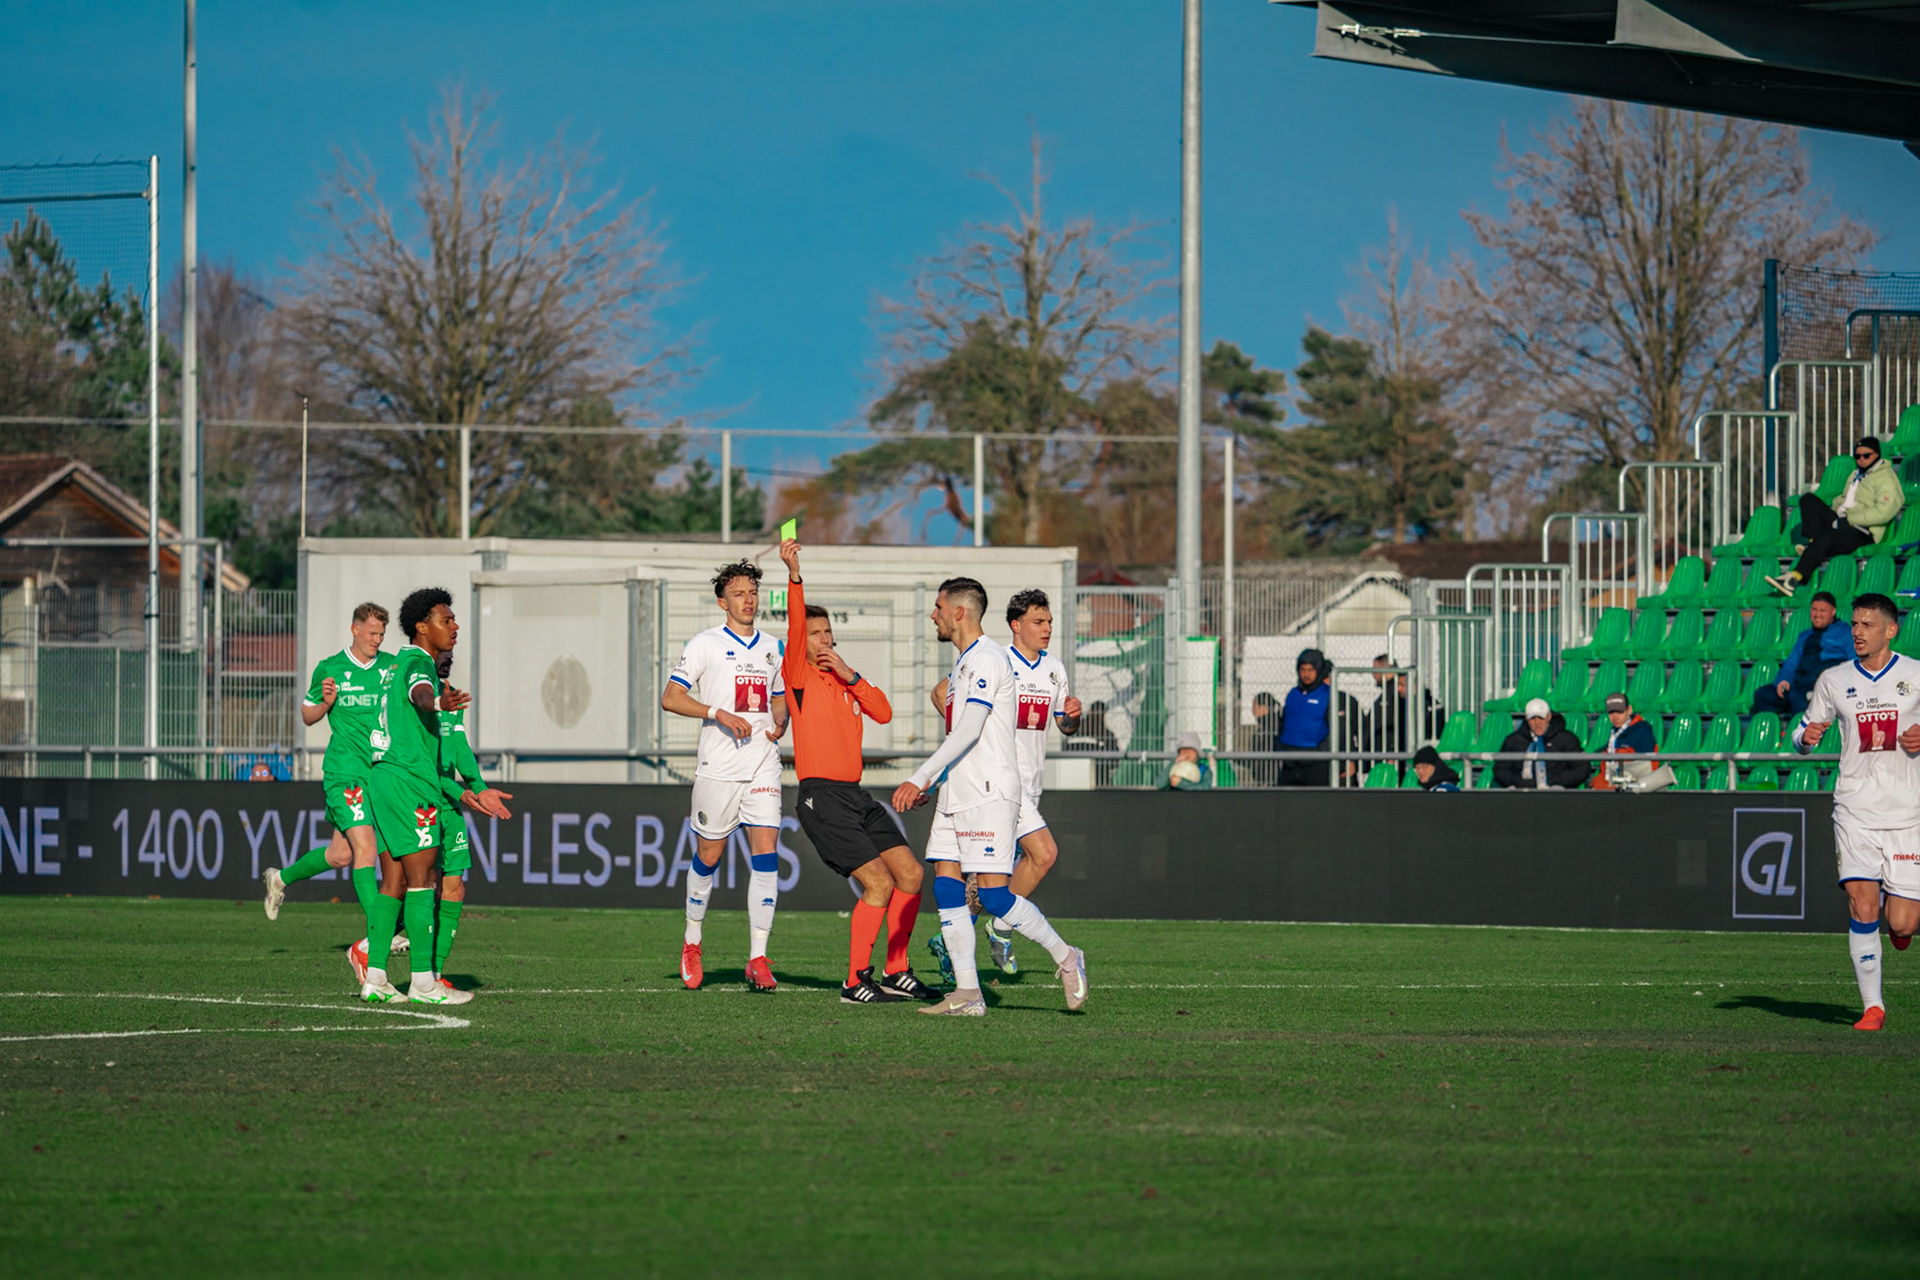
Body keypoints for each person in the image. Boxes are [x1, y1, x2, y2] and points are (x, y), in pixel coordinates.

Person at [892, 577, 1088, 1017]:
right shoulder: (963, 664)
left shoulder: (987, 659)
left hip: (989, 791)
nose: (933, 614)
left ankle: (1065, 956)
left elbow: (970, 728)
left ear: (958, 612)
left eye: (938, 606)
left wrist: (920, 777)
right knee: (946, 886)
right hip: (956, 789)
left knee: (995, 896)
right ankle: (968, 993)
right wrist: (939, 780)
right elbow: (957, 730)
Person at [777, 538, 938, 1005]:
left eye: (828, 632)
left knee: (909, 874)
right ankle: (854, 983)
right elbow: (794, 624)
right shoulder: (799, 677)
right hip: (821, 798)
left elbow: (884, 712)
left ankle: (897, 970)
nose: (824, 639)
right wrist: (794, 575)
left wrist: (851, 675)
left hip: (856, 796)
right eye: (816, 633)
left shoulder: (844, 679)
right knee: (879, 884)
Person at [930, 588, 1083, 978]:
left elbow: (1063, 726)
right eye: (1038, 622)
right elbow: (941, 693)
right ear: (1016, 626)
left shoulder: (1055, 669)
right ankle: (998, 934)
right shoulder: (996, 659)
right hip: (996, 783)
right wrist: (967, 732)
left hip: (1029, 786)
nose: (1047, 629)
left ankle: (967, 937)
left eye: (1049, 621)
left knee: (992, 880)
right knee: (1040, 856)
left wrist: (1072, 718)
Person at [660, 560, 791, 992]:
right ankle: (692, 941)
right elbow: (671, 698)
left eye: (752, 592)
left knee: (767, 851)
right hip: (718, 766)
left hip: (762, 762)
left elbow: (777, 701)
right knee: (709, 857)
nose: (748, 600)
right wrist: (717, 712)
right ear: (723, 602)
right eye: (739, 593)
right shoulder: (705, 644)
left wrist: (781, 720)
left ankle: (758, 956)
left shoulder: (775, 647)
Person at [1791, 592, 1920, 1031]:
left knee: (1901, 923)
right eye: (1854, 625)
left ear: (1890, 629)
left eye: (1867, 625)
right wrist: (1805, 738)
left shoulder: (1916, 676)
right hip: (1854, 808)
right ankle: (1873, 1008)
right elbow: (1801, 734)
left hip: (1908, 814)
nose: (1857, 632)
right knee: (1862, 905)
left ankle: (1900, 929)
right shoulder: (1833, 678)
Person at [265, 604, 396, 957]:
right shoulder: (331, 668)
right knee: (366, 850)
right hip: (344, 773)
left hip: (380, 775)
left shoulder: (391, 667)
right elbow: (308, 716)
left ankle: (279, 879)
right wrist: (325, 703)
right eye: (372, 633)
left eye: (382, 634)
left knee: (340, 855)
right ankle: (382, 930)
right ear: (355, 630)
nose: (377, 639)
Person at [362, 588, 469, 1004]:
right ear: (422, 628)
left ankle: (375, 978)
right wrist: (438, 702)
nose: (454, 626)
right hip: (409, 780)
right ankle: (424, 983)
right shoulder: (416, 662)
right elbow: (420, 693)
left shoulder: (393, 665)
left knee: (393, 881)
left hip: (382, 776)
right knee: (424, 881)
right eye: (446, 619)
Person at [1767, 436, 1904, 596]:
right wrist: (1836, 511)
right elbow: (1845, 499)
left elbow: (1885, 510)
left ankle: (1793, 579)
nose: (1861, 459)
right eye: (1857, 456)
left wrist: (1851, 519)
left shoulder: (1885, 477)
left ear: (1877, 454)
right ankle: (1813, 543)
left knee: (1828, 538)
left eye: (1866, 455)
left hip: (1862, 530)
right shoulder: (1856, 474)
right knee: (1808, 500)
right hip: (1842, 521)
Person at [1752, 591, 1852, 717]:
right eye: (1814, 610)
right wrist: (1783, 680)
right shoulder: (1805, 636)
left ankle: (1800, 734)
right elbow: (1791, 663)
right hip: (1798, 683)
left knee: (1798, 698)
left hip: (1822, 684)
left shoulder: (1845, 633)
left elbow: (1853, 663)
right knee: (1762, 695)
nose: (1817, 614)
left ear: (1833, 612)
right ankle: (1773, 733)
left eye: (1822, 610)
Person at [1274, 649, 1362, 787]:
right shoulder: (1293, 694)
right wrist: (1280, 746)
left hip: (1316, 762)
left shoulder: (1329, 695)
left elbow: (1340, 730)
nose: (1306, 674)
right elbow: (1285, 722)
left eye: (1311, 670)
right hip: (1290, 761)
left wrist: (1320, 752)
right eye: (1303, 669)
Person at [1492, 697, 1592, 791]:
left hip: (1555, 793)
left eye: (1541, 718)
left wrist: (1552, 780)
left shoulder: (1565, 739)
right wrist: (1520, 781)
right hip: (1522, 791)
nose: (1537, 723)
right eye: (1532, 719)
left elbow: (1582, 769)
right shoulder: (1514, 740)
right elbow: (1500, 770)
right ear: (1526, 719)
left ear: (1548, 717)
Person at [1365, 654, 1443, 766]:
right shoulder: (1397, 702)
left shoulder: (1428, 706)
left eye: (1402, 685)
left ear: (1413, 685)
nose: (1398, 689)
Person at [1592, 691, 1656, 791]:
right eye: (1611, 713)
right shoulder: (1616, 733)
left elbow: (1648, 769)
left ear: (1629, 710)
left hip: (1630, 789)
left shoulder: (1642, 733)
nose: (1615, 717)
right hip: (1614, 785)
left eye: (1619, 712)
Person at [1061, 699, 1120, 785]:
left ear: (1089, 711)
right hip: (1099, 781)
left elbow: (1064, 751)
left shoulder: (1074, 731)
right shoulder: (1106, 735)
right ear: (1104, 716)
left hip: (1072, 780)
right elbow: (1114, 761)